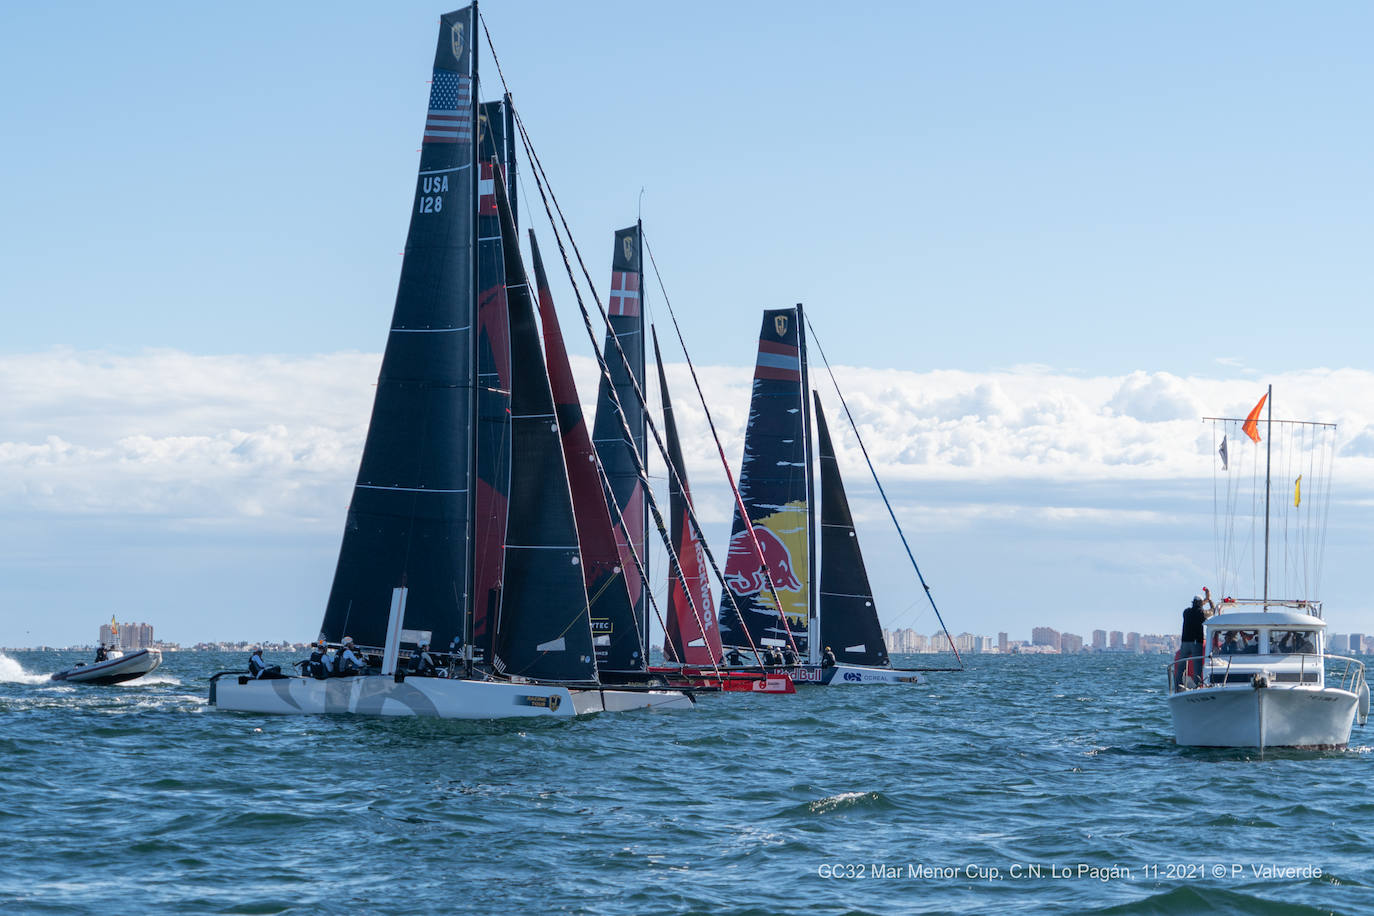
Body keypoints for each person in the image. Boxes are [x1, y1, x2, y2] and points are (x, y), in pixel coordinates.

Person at [1176, 595, 1207, 689]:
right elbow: (1211, 611)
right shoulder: (1202, 613)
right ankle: (1197, 686)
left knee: (1181, 666)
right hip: (1195, 643)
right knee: (1197, 666)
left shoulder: (1186, 612)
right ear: (1200, 604)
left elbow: (1197, 608)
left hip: (1185, 643)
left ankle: (1178, 685)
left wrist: (1204, 601)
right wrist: (1209, 600)